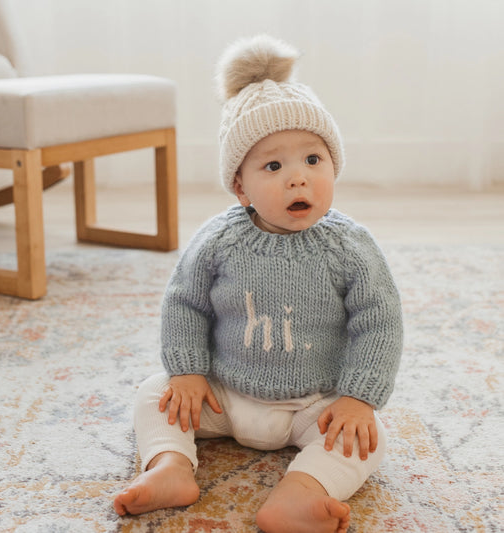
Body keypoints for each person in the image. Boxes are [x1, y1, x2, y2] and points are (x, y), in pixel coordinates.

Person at [114, 34, 403, 533]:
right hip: (223, 394)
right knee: (152, 393)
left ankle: (302, 490)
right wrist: (187, 373)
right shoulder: (219, 240)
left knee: (366, 437)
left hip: (314, 404)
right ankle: (170, 467)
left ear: (334, 165)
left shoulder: (351, 247)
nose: (298, 178)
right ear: (241, 185)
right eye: (274, 165)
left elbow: (380, 322)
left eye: (314, 160)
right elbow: (184, 303)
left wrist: (357, 398)